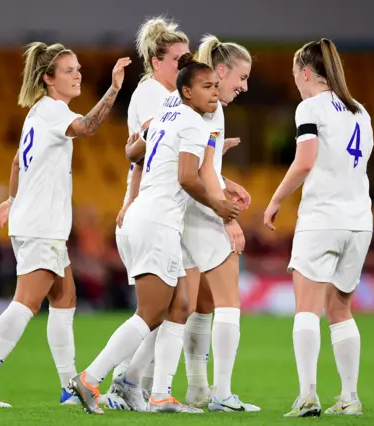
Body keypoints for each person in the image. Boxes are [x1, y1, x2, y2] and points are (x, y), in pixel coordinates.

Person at [0, 41, 131, 408]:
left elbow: (14, 163)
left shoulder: (38, 112)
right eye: (69, 71)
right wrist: (115, 88)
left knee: (65, 297)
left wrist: (11, 201)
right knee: (26, 302)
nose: (78, 75)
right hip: (41, 225)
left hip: (36, 221)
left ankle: (69, 387)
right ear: (48, 79)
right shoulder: (54, 110)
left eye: (79, 69)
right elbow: (87, 127)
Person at [70, 53, 239, 415]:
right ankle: (90, 379)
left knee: (180, 306)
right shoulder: (194, 122)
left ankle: (156, 393)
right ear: (187, 92)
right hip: (158, 221)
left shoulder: (166, 112)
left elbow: (134, 150)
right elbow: (187, 178)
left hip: (146, 216)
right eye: (207, 87)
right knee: (149, 313)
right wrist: (219, 206)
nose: (214, 93)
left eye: (214, 86)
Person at [116, 35, 258, 413]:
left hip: (178, 213)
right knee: (227, 301)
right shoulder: (208, 104)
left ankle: (136, 380)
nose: (242, 87)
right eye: (240, 78)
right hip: (195, 207)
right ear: (221, 72)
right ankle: (220, 394)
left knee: (184, 305)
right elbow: (197, 172)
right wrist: (226, 214)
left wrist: (225, 180)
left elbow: (144, 149)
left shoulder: (179, 101)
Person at [263, 38, 372, 417]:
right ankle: (350, 398)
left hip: (322, 219)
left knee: (307, 309)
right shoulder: (361, 112)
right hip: (359, 223)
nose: (294, 81)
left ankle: (308, 395)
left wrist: (276, 199)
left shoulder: (309, 107)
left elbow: (305, 161)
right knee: (341, 309)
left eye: (295, 73)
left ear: (306, 72)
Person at [104, 18, 190, 409]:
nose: (185, 64)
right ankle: (109, 379)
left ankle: (134, 382)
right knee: (160, 308)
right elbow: (141, 154)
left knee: (171, 307)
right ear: (157, 62)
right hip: (152, 208)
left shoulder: (172, 96)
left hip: (161, 207)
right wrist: (130, 201)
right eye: (179, 58)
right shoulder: (152, 94)